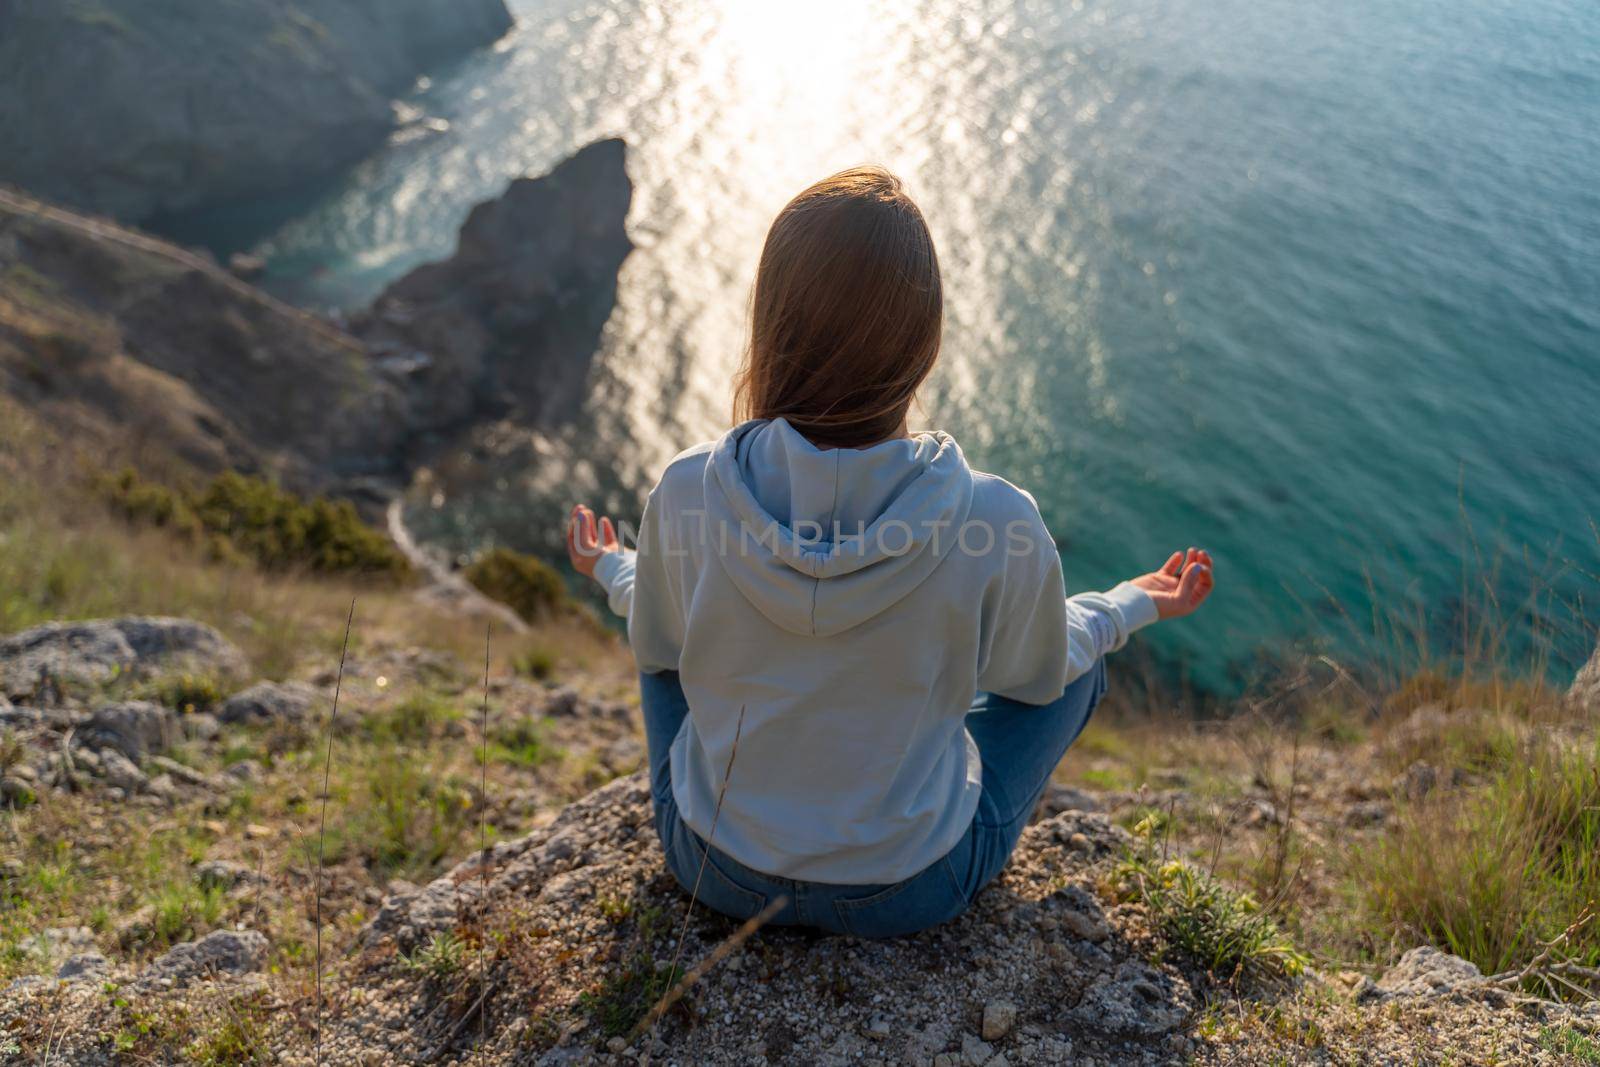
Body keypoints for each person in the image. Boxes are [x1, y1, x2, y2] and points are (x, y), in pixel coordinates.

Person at [566, 166, 1213, 938]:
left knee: (658, 645)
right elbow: (1036, 676)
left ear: (770, 325)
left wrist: (613, 567)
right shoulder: (998, 517)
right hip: (910, 886)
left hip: (713, 863)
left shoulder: (685, 490)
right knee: (1080, 658)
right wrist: (1129, 604)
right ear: (925, 343)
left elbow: (660, 635)